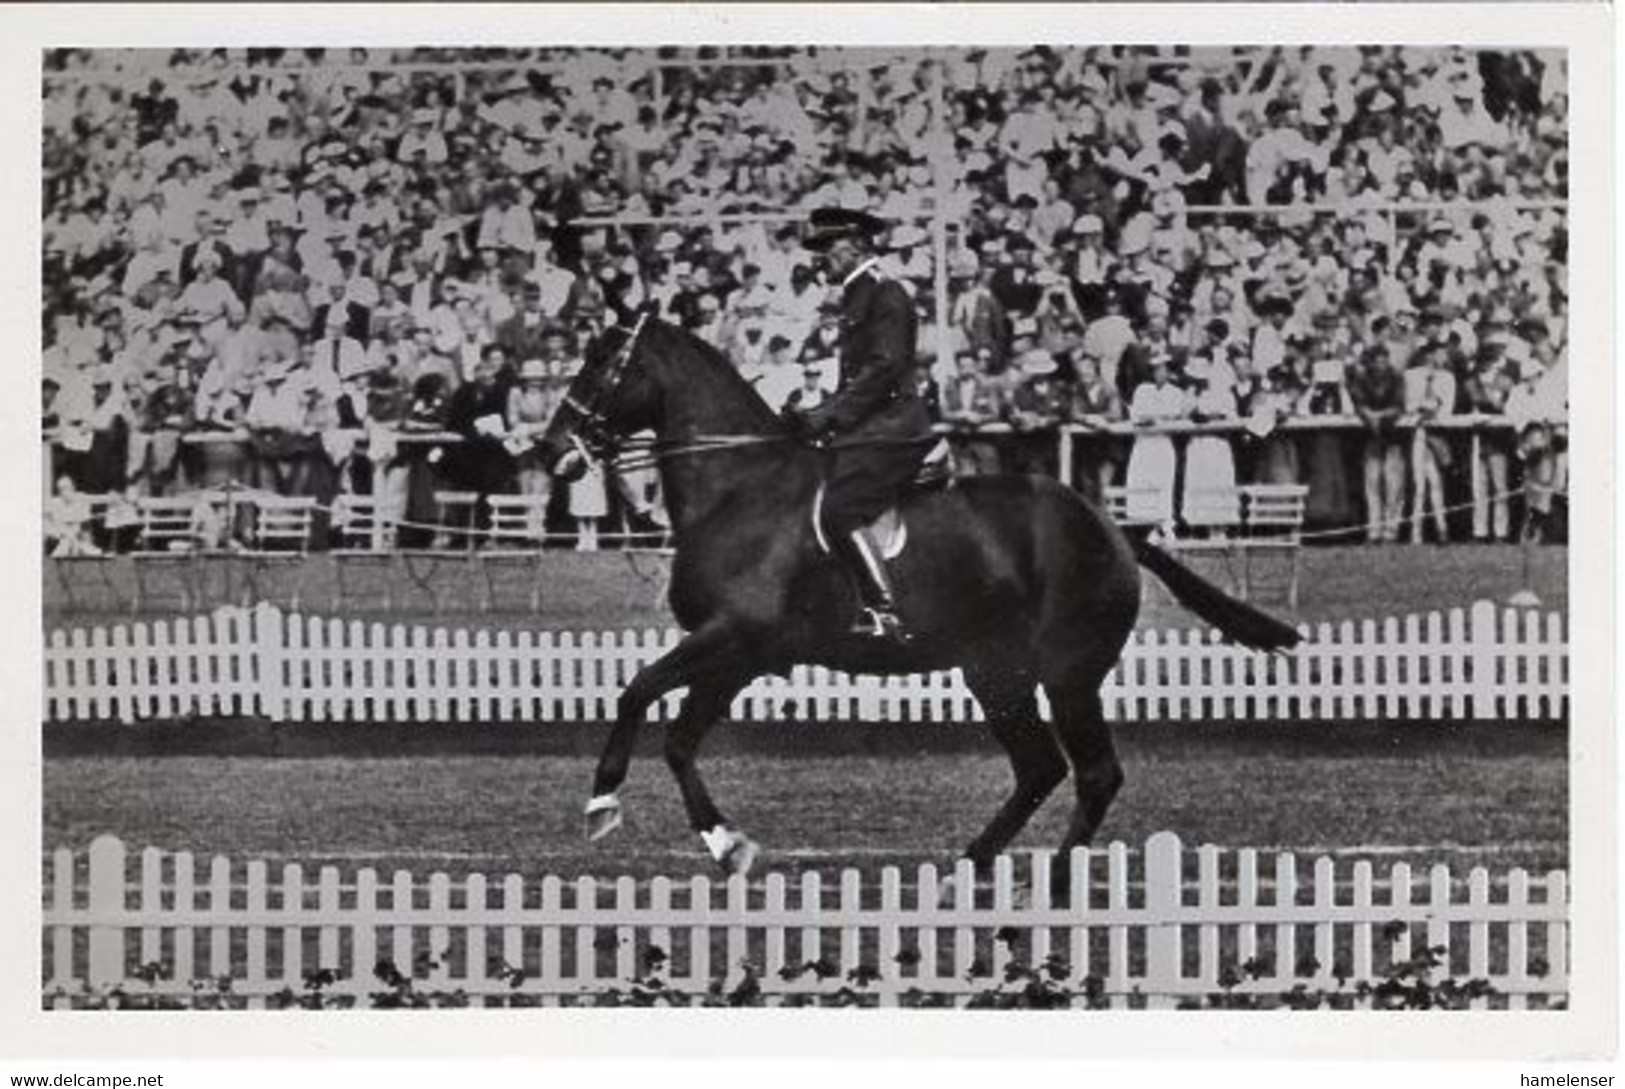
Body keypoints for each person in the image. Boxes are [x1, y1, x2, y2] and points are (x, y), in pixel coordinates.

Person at [782, 206, 936, 643]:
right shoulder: (855, 295)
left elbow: (884, 368)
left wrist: (829, 415)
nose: (823, 256)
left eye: (830, 246)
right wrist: (818, 415)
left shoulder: (886, 292)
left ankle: (883, 609)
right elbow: (856, 377)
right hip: (869, 425)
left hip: (894, 428)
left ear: (858, 246)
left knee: (839, 509)